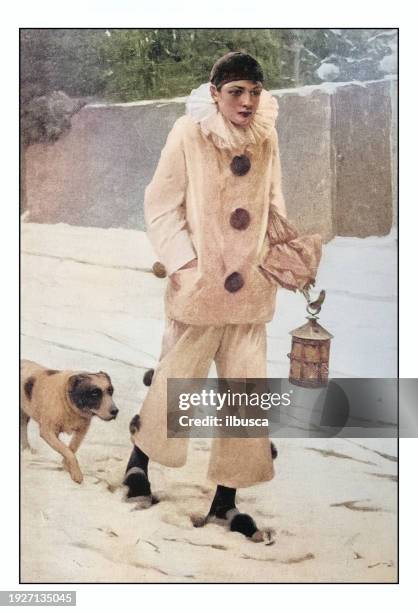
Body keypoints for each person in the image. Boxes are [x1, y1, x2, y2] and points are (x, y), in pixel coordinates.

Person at [123, 51, 322, 541]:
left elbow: (273, 202)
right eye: (236, 91)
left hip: (251, 291)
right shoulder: (189, 132)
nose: (248, 101)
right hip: (199, 286)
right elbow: (161, 204)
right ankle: (138, 463)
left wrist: (281, 256)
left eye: (255, 92)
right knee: (177, 380)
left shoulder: (267, 135)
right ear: (214, 94)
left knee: (246, 392)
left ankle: (226, 502)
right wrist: (185, 265)